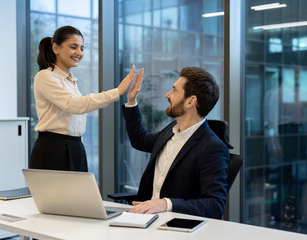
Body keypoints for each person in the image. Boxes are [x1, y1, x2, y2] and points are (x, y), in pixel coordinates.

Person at [123, 67, 230, 219]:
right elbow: (139, 141)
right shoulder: (170, 131)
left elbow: (215, 206)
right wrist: (132, 101)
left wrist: (166, 204)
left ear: (191, 101)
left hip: (173, 225)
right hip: (144, 219)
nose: (167, 95)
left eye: (174, 90)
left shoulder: (212, 148)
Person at [30, 26, 138, 172]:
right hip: (53, 150)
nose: (79, 53)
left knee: (78, 195)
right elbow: (75, 105)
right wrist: (117, 92)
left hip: (75, 147)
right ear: (56, 48)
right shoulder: (45, 76)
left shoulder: (70, 80)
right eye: (73, 47)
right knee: (55, 195)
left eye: (82, 48)